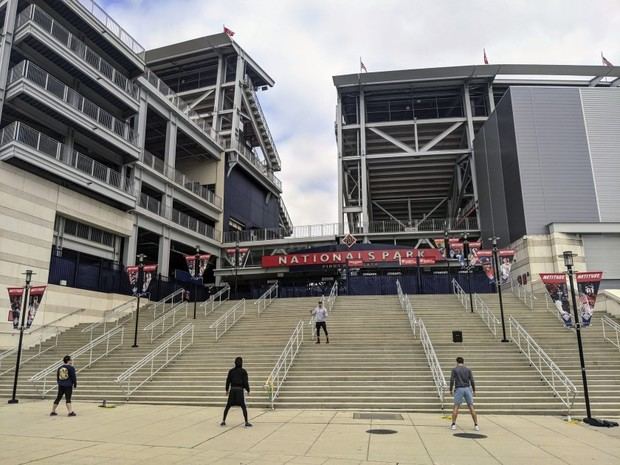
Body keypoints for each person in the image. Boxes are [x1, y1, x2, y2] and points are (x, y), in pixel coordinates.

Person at [221, 357, 251, 427]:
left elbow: (228, 381)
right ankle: (246, 422)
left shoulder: (231, 371)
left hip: (233, 390)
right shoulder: (243, 371)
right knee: (243, 406)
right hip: (240, 390)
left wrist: (227, 390)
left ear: (235, 363)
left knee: (228, 406)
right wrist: (248, 390)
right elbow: (245, 382)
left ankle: (223, 421)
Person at [449, 356, 478, 431]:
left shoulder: (454, 370)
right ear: (463, 362)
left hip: (459, 388)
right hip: (467, 388)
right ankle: (476, 424)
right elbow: (472, 380)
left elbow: (452, 380)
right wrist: (474, 390)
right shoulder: (468, 370)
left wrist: (450, 389)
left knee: (456, 407)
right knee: (471, 407)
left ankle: (453, 424)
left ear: (457, 362)